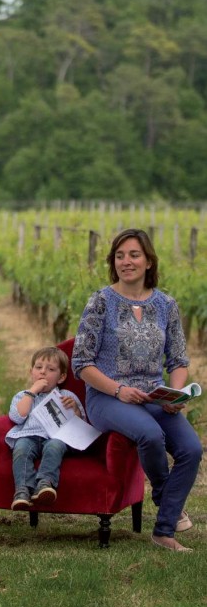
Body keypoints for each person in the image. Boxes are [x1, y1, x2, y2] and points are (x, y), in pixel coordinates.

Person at [72, 228, 203, 553]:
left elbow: (178, 360)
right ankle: (165, 500)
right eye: (120, 256)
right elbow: (81, 362)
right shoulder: (101, 301)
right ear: (113, 262)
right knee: (150, 435)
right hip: (108, 398)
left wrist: (175, 395)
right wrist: (118, 391)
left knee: (192, 449)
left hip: (154, 396)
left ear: (148, 261)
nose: (126, 262)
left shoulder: (166, 305)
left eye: (133, 255)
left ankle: (162, 532)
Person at [6, 346, 84, 509]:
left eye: (50, 369)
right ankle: (22, 490)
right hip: (29, 435)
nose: (43, 372)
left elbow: (80, 426)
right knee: (21, 449)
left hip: (56, 436)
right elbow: (17, 416)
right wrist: (32, 392)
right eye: (38, 367)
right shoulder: (23, 395)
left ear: (61, 377)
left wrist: (75, 410)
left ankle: (45, 484)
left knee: (54, 446)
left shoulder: (67, 396)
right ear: (31, 372)